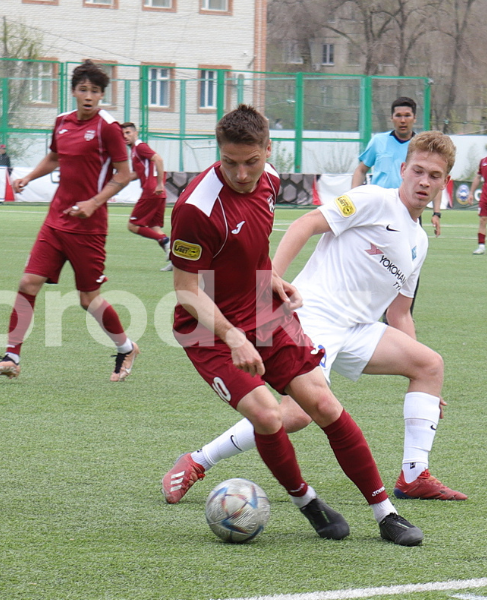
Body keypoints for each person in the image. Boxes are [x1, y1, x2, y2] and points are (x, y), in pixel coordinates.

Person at [160, 104, 422, 545]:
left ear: (267, 150)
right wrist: (232, 335)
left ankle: (385, 512)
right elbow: (187, 290)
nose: (241, 173)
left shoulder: (271, 181)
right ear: (218, 153)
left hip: (264, 311)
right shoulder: (195, 210)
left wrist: (273, 279)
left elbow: (253, 248)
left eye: (251, 162)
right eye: (229, 162)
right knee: (267, 414)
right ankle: (307, 501)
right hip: (208, 330)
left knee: (322, 404)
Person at [0, 60, 139, 382]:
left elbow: (124, 174)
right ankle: (12, 357)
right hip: (55, 221)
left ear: (102, 95)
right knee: (28, 283)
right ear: (73, 92)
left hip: (89, 228)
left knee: (87, 299)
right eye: (83, 89)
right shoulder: (62, 122)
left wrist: (93, 203)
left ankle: (126, 347)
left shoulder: (108, 128)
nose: (89, 96)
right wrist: (28, 176)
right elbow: (55, 157)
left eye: (95, 91)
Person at [352, 97, 441, 236]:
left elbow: (434, 178)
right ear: (392, 118)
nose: (403, 120)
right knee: (373, 252)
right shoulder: (378, 141)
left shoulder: (422, 146)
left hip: (410, 208)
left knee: (411, 254)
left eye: (407, 115)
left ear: (414, 118)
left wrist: (436, 213)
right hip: (379, 207)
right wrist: (354, 198)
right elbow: (361, 170)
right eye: (398, 115)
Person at [120, 122, 171, 271]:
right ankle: (176, 260)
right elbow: (137, 174)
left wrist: (159, 183)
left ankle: (164, 240)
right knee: (154, 226)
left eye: (128, 133)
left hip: (151, 192)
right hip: (157, 193)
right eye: (123, 134)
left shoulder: (140, 147)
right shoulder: (134, 150)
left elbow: (158, 159)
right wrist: (119, 179)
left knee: (133, 226)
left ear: (136, 133)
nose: (125, 136)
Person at [465, 153, 487, 255]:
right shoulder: (483, 161)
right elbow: (478, 177)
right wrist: (471, 193)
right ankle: (481, 246)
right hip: (485, 195)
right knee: (483, 219)